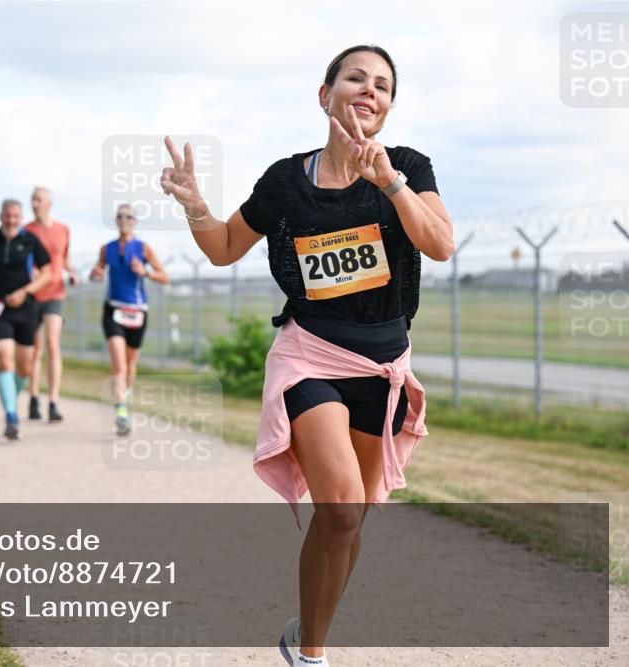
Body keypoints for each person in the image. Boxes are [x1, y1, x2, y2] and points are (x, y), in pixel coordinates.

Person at [160, 45, 454, 667]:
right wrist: (193, 203)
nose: (368, 90)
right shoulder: (285, 181)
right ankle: (312, 656)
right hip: (311, 357)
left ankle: (304, 628)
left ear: (388, 107)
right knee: (342, 505)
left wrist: (392, 184)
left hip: (382, 366)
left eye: (381, 85)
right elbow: (223, 248)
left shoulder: (407, 166)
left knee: (349, 522)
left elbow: (440, 244)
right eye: (355, 78)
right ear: (325, 96)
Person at [0, 199, 52, 440]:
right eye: (7, 215)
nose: (11, 220)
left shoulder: (30, 240)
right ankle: (11, 416)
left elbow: (47, 272)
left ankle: (11, 399)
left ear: (20, 217)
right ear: (0, 216)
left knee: (24, 367)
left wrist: (25, 291)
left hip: (26, 308)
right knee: (5, 360)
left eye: (15, 216)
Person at [89, 203, 169, 436]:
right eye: (120, 216)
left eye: (129, 216)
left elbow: (164, 277)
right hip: (113, 309)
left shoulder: (143, 249)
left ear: (135, 221)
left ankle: (124, 394)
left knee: (131, 365)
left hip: (137, 310)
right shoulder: (107, 248)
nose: (124, 219)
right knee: (119, 365)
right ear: (116, 220)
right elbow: (97, 272)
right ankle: (121, 412)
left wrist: (145, 272)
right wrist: (94, 274)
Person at [23, 186, 79, 422]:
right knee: (35, 350)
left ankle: (53, 402)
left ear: (49, 203)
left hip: (56, 293)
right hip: (34, 294)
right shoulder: (25, 231)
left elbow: (64, 258)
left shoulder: (63, 229)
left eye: (38, 200)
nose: (34, 203)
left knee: (53, 345)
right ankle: (34, 397)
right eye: (32, 200)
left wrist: (72, 272)